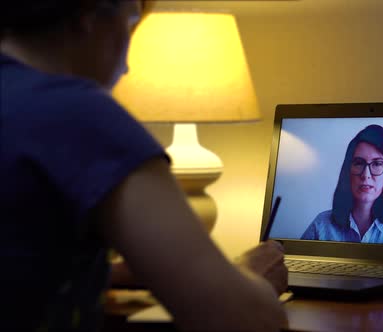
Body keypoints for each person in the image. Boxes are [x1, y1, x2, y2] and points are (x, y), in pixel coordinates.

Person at [0, 1, 287, 331]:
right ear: (88, 15)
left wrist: (113, 274)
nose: (127, 68)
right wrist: (255, 276)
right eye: (132, 21)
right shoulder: (78, 115)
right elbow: (238, 317)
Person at [301, 125, 383, 245]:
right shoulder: (321, 225)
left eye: (377, 164)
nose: (366, 175)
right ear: (347, 170)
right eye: (359, 163)